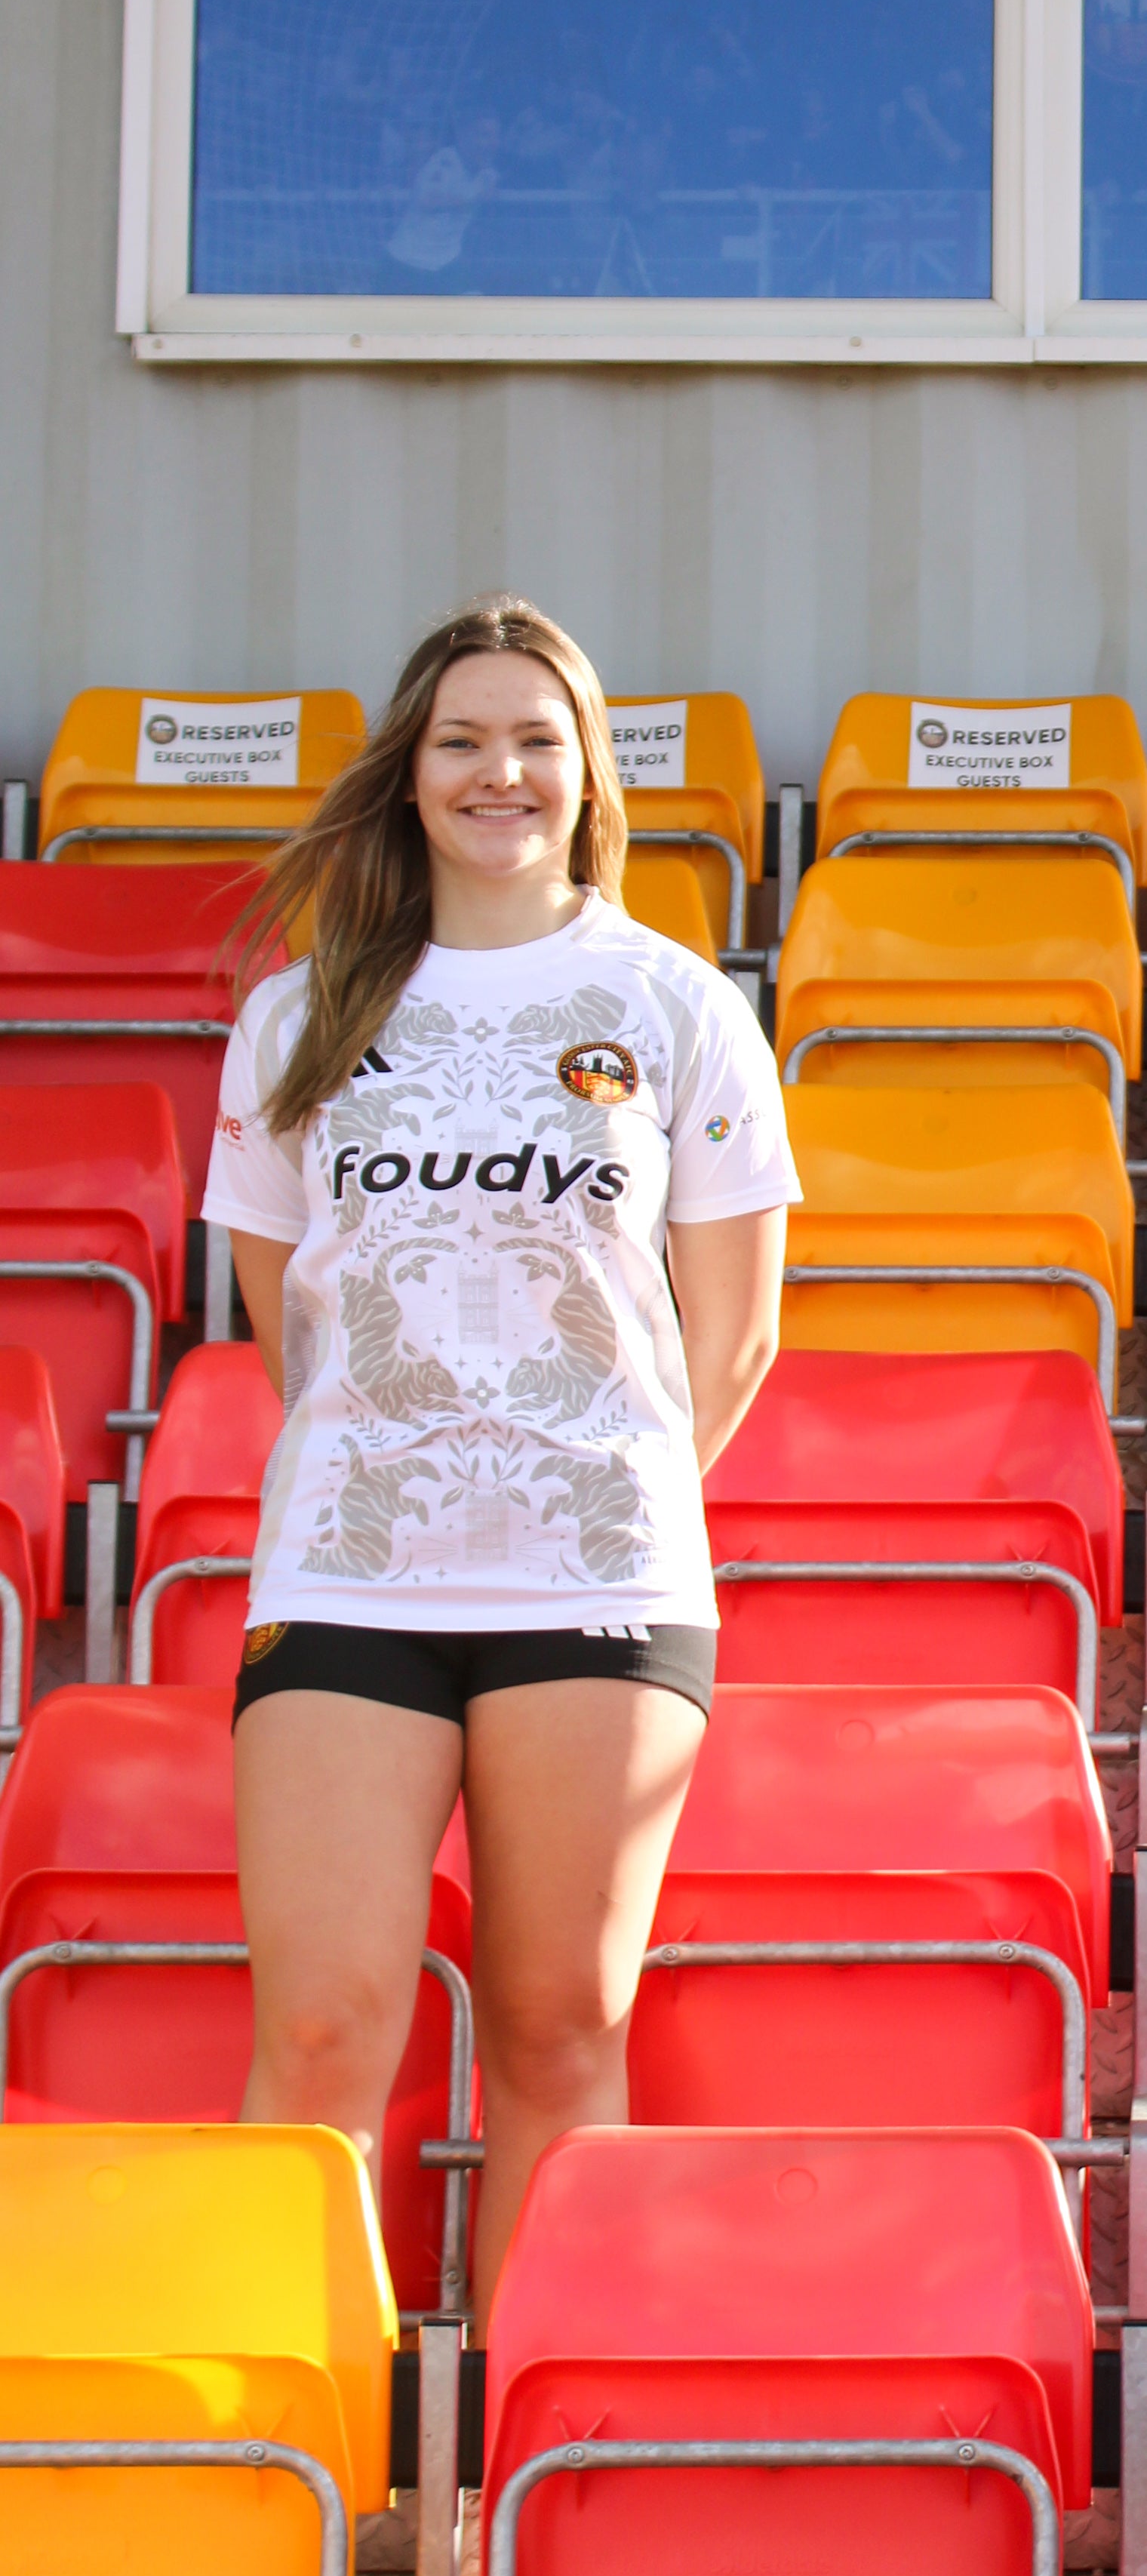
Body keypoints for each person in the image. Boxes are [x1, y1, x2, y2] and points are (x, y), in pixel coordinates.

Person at [205, 597, 798, 2307]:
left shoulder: (676, 1004)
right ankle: (294, 2426)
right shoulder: (298, 1018)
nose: (500, 772)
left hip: (596, 1579)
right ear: (408, 772)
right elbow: (292, 1321)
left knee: (558, 2028)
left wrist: (597, 1486)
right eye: (461, 739)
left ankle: (530, 2436)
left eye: (538, 739)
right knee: (322, 2028)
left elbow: (734, 1335)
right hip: (352, 1573)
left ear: (591, 772)